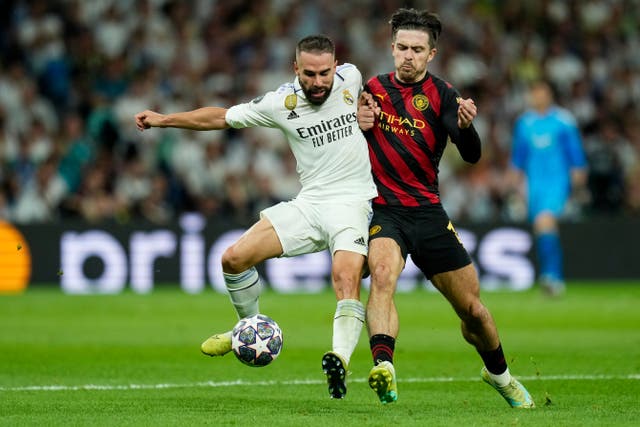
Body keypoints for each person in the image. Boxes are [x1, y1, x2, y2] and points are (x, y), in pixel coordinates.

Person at [135, 35, 377, 399]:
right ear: (296, 69)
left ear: (336, 66)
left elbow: (377, 102)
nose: (317, 82)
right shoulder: (281, 102)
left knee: (345, 277)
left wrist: (367, 112)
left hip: (352, 203)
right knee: (233, 258)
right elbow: (220, 117)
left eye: (324, 73)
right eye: (309, 74)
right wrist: (164, 119)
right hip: (309, 204)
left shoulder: (353, 78)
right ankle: (245, 329)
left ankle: (339, 360)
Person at [357, 8, 535, 408]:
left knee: (474, 312)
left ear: (431, 54)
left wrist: (468, 128)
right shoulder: (371, 89)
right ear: (391, 48)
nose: (408, 56)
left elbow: (471, 155)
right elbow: (344, 140)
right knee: (382, 276)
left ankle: (500, 375)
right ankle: (384, 365)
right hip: (385, 211)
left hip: (429, 214)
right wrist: (357, 121)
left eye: (417, 50)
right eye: (401, 47)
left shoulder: (443, 96)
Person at [510, 80, 588, 296]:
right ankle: (550, 276)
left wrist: (578, 180)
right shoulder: (524, 123)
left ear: (549, 95)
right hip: (534, 183)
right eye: (534, 94)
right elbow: (518, 157)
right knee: (542, 226)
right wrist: (514, 183)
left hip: (558, 181)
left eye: (541, 93)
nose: (537, 97)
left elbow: (576, 155)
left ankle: (552, 277)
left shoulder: (564, 121)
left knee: (545, 221)